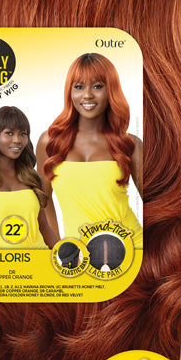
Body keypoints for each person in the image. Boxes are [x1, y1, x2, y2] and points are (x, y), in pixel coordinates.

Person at [37, 53, 143, 248]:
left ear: (111, 90)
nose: (87, 95)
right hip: (78, 257)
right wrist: (57, 247)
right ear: (69, 91)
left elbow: (154, 206)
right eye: (78, 87)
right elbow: (43, 201)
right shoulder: (49, 142)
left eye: (97, 86)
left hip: (131, 248)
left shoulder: (130, 144)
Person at [0, 106, 59, 249]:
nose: (17, 140)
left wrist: (62, 256)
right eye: (9, 133)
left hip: (41, 257)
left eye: (23, 134)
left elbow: (44, 227)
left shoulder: (34, 178)